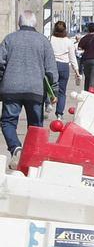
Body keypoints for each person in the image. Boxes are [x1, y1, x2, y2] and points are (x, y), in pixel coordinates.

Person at [0, 11, 58, 157]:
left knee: (8, 122)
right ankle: (33, 154)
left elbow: (0, 64)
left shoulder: (9, 39)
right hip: (36, 89)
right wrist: (54, 91)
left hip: (11, 88)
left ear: (19, 23)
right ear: (35, 23)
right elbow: (51, 70)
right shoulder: (43, 41)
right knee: (35, 126)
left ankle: (15, 148)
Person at [48, 21, 80, 118]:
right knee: (62, 92)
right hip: (64, 67)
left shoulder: (50, 39)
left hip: (52, 65)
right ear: (65, 30)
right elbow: (72, 58)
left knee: (49, 87)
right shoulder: (68, 41)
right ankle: (59, 114)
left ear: (54, 29)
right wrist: (77, 71)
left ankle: (49, 103)